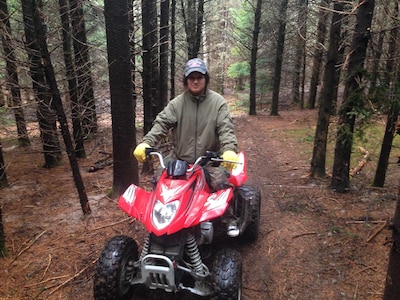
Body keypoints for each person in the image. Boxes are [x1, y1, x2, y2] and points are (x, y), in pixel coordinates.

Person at [133, 57, 239, 191]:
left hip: (210, 162)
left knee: (221, 189)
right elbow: (162, 123)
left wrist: (229, 150)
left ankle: (228, 212)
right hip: (179, 160)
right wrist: (147, 142)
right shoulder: (177, 104)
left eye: (199, 77)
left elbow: (226, 129)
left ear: (206, 79)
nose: (195, 81)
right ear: (186, 80)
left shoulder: (218, 103)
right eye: (191, 77)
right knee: (159, 183)